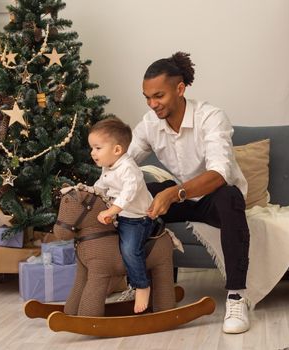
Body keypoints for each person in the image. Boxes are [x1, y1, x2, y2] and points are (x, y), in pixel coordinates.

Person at [128, 52, 251, 334]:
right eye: (146, 97)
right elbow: (125, 160)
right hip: (182, 197)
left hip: (215, 197)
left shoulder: (211, 117)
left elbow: (219, 174)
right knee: (139, 195)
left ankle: (236, 296)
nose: (152, 104)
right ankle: (140, 286)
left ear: (180, 89)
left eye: (158, 96)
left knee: (231, 198)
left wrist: (173, 193)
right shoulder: (150, 123)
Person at [88, 116, 156, 314]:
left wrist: (111, 210)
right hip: (120, 216)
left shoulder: (128, 168)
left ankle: (142, 286)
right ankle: (117, 284)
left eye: (98, 148)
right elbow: (100, 186)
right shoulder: (108, 166)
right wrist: (90, 196)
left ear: (117, 150)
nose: (93, 153)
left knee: (129, 250)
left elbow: (129, 192)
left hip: (138, 219)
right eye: (92, 148)